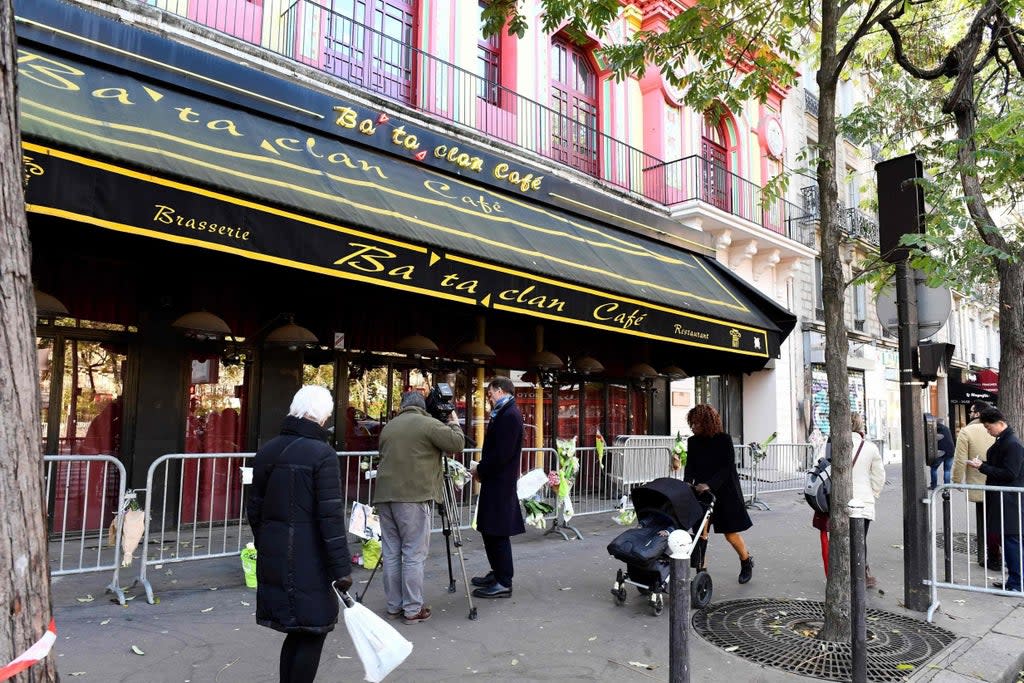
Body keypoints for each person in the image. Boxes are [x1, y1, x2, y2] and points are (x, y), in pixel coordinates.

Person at [246, 386, 352, 683]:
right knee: (312, 632)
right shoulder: (322, 455)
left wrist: (267, 543)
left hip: (277, 556)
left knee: (296, 632)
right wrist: (342, 569)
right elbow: (330, 518)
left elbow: (254, 508)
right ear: (321, 417)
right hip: (311, 561)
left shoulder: (267, 450)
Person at [373, 391, 465, 624]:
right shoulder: (428, 424)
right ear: (422, 406)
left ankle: (394, 606)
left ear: (403, 406)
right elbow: (457, 444)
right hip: (412, 497)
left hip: (385, 497)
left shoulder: (389, 427)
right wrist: (454, 422)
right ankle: (413, 609)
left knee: (392, 553)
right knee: (413, 554)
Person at [683, 404, 754, 584]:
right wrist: (687, 483)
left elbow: (727, 467)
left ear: (706, 422)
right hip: (700, 492)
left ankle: (746, 561)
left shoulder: (724, 439)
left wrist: (710, 484)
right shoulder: (693, 441)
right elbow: (690, 465)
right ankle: (702, 573)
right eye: (691, 423)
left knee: (730, 534)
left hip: (725, 491)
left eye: (696, 423)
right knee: (701, 533)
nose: (692, 427)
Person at [470, 376, 525, 598]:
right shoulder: (504, 412)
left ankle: (504, 581)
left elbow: (501, 454)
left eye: (490, 392)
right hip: (496, 481)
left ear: (500, 390)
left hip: (500, 483)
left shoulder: (509, 415)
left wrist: (480, 470)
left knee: (497, 531)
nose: (489, 397)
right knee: (490, 530)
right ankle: (498, 572)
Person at [967, 407, 1024, 592]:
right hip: (1004, 498)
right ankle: (1015, 580)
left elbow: (1009, 473)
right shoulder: (1005, 440)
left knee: (1011, 540)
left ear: (999, 423)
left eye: (988, 426)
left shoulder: (1012, 443)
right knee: (1009, 540)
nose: (987, 430)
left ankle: (1016, 582)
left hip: (1009, 500)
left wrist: (983, 466)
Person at [953, 400, 999, 569]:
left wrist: (956, 480)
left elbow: (960, 459)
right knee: (1000, 520)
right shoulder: (999, 428)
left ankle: (986, 556)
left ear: (978, 414)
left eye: (972, 411)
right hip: (1001, 483)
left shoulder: (967, 432)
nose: (970, 414)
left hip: (980, 484)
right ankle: (1002, 555)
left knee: (984, 523)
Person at [849, 413, 886, 588]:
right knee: (860, 538)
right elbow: (879, 476)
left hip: (837, 501)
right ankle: (861, 574)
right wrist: (873, 494)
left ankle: (842, 572)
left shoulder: (831, 445)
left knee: (841, 537)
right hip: (863, 500)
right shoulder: (870, 447)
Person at [928, 414, 955, 490]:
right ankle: (947, 487)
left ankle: (933, 485)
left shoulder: (934, 430)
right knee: (947, 470)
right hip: (951, 452)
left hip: (941, 452)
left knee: (933, 468)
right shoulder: (946, 428)